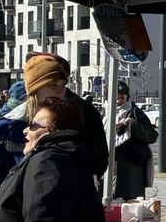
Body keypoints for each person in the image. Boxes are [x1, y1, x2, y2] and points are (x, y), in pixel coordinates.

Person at [21, 52, 108, 182]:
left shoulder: (80, 112)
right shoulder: (16, 118)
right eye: (53, 84)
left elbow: (98, 158)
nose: (61, 91)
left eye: (63, 84)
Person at [111, 80, 158, 199]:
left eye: (122, 97)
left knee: (130, 205)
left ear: (127, 97)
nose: (118, 101)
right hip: (110, 166)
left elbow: (152, 136)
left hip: (131, 168)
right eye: (115, 98)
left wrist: (134, 126)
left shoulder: (135, 112)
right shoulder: (106, 112)